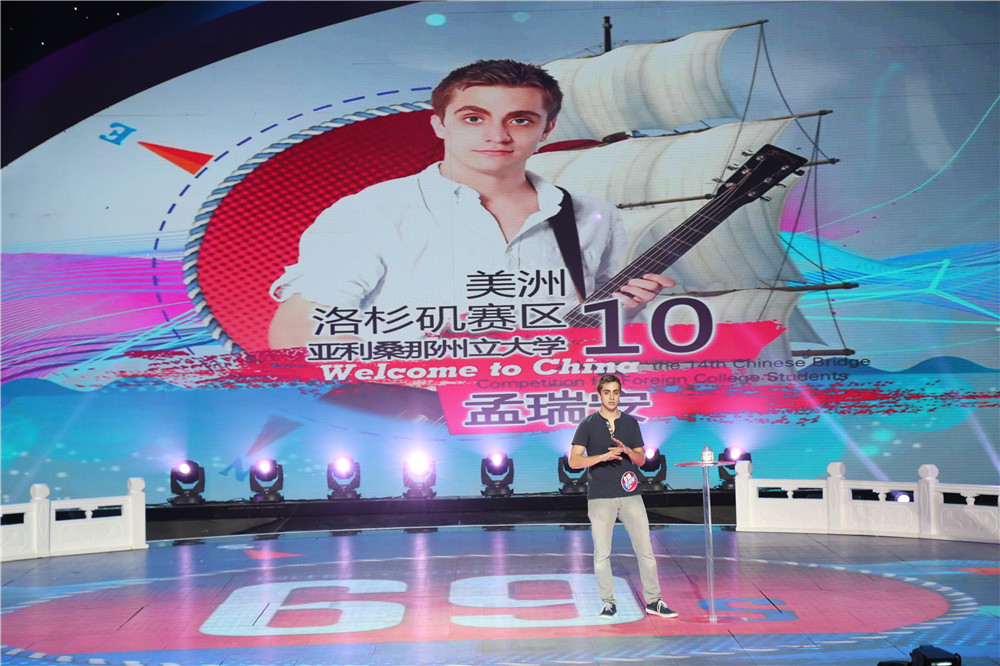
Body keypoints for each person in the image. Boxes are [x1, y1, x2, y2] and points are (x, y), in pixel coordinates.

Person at [267, 59, 674, 348]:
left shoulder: (592, 215)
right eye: (474, 118)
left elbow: (585, 330)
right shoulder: (372, 211)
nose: (497, 135)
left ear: (547, 129)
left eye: (520, 120)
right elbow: (296, 335)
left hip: (548, 409)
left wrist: (623, 310)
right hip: (417, 418)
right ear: (439, 124)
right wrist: (417, 382)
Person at [568, 373, 678, 620]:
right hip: (600, 496)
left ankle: (654, 601)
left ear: (620, 394)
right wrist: (602, 457)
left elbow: (641, 460)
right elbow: (574, 461)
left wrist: (628, 451)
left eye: (615, 392)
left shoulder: (630, 423)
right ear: (599, 395)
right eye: (607, 392)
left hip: (630, 494)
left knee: (646, 551)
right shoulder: (587, 424)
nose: (611, 397)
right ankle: (608, 602)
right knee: (602, 554)